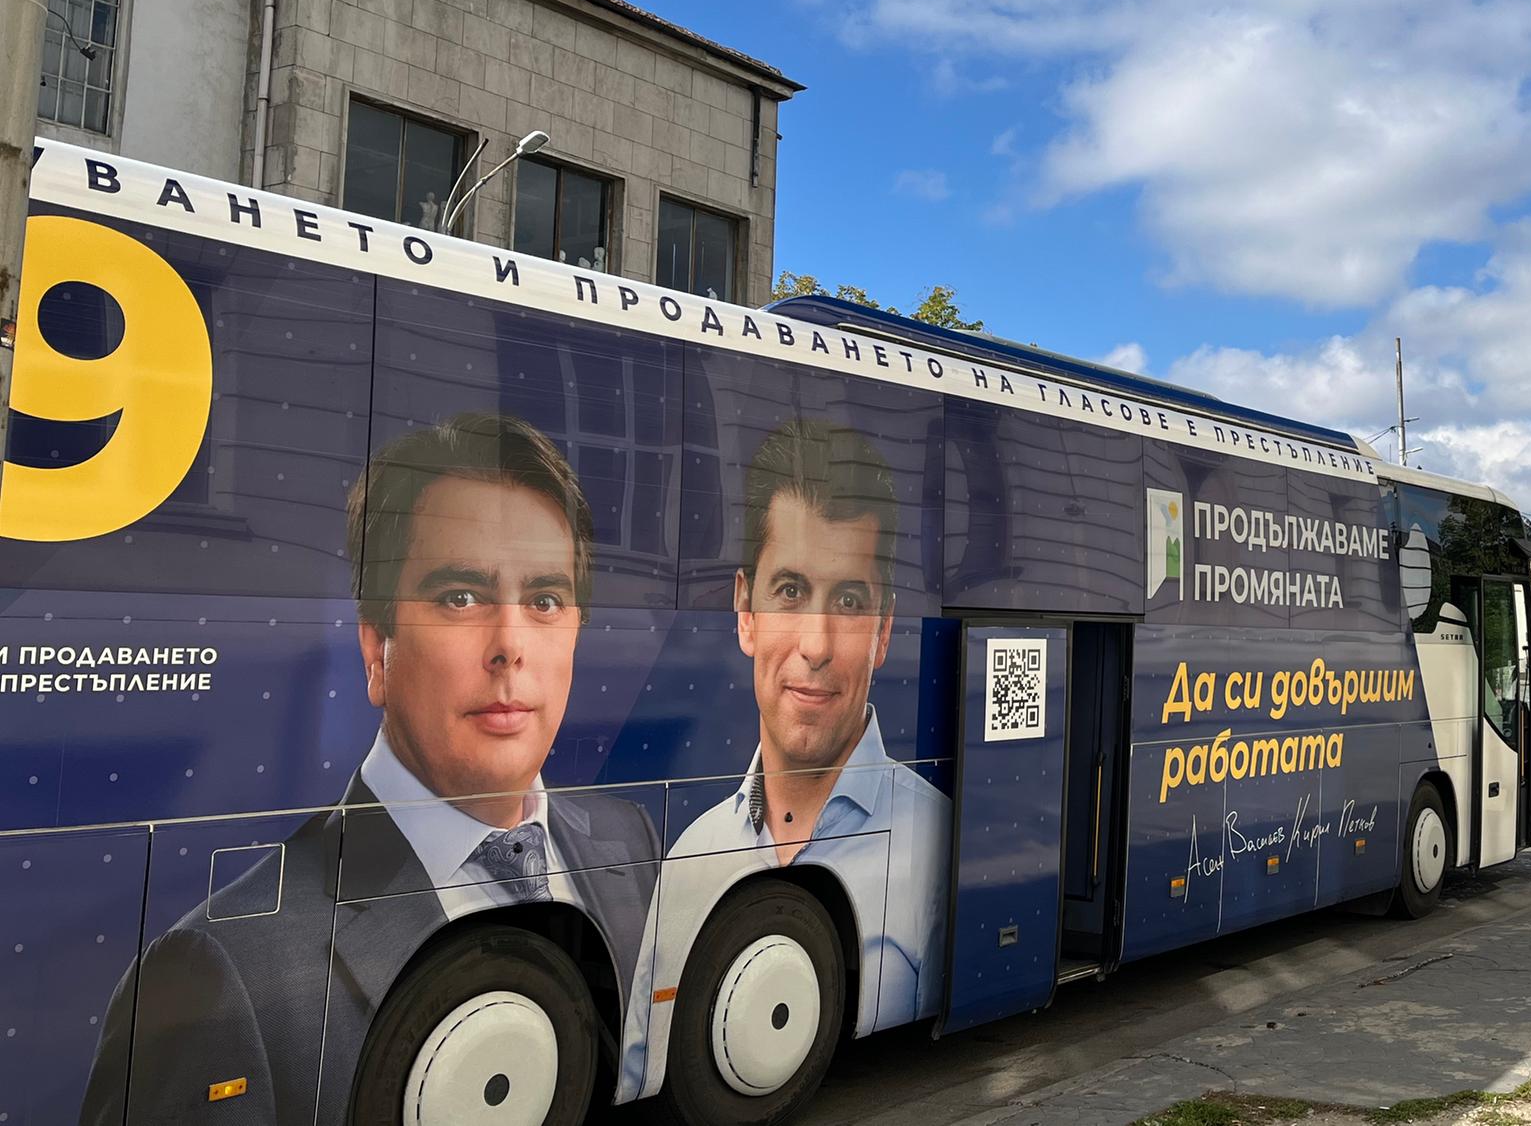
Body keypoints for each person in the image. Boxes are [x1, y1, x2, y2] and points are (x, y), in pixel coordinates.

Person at [81, 412, 660, 1125]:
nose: (510, 645)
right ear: (374, 650)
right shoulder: (219, 968)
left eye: (544, 599)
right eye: (460, 597)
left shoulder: (630, 842)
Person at [652, 415, 950, 1076]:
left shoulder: (939, 838)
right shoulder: (690, 854)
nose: (816, 645)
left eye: (847, 600)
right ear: (745, 611)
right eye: (790, 591)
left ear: (882, 630)